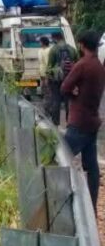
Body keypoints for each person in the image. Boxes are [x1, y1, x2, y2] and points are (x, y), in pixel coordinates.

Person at [61, 30, 105, 209]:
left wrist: (73, 92)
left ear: (81, 45)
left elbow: (64, 88)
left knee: (59, 158)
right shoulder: (99, 66)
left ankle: (63, 203)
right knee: (91, 166)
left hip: (78, 122)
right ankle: (91, 207)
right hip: (92, 121)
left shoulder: (82, 64)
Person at [47, 32, 78, 125]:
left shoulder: (53, 50)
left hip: (56, 80)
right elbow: (77, 64)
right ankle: (70, 123)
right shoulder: (72, 49)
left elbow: (49, 67)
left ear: (54, 38)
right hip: (69, 79)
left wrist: (48, 77)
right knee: (68, 101)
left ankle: (55, 123)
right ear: (63, 37)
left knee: (56, 100)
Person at [38, 36, 52, 113]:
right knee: (44, 91)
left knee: (48, 91)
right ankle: (46, 108)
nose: (39, 43)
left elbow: (48, 64)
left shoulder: (48, 51)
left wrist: (47, 76)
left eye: (40, 42)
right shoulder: (40, 50)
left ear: (43, 42)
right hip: (42, 74)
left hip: (46, 74)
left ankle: (47, 109)